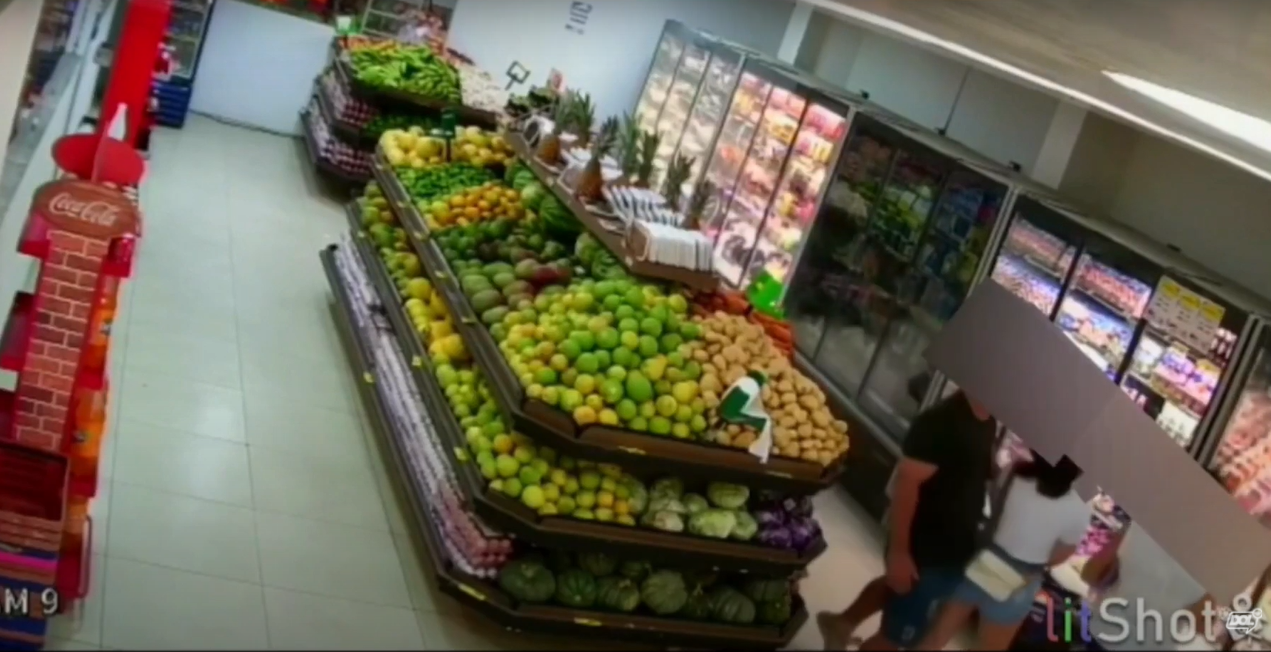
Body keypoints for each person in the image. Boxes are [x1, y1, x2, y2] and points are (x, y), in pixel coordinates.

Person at [817, 391, 998, 650]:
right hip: (926, 546)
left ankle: (842, 623)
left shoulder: (987, 419)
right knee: (894, 638)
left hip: (951, 545)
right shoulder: (942, 422)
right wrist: (899, 552)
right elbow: (906, 484)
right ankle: (845, 625)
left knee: (898, 590)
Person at [911, 452, 1090, 650]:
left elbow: (996, 503)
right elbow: (1062, 554)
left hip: (985, 559)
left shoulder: (1014, 472)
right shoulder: (1079, 510)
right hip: (1022, 579)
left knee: (935, 636)